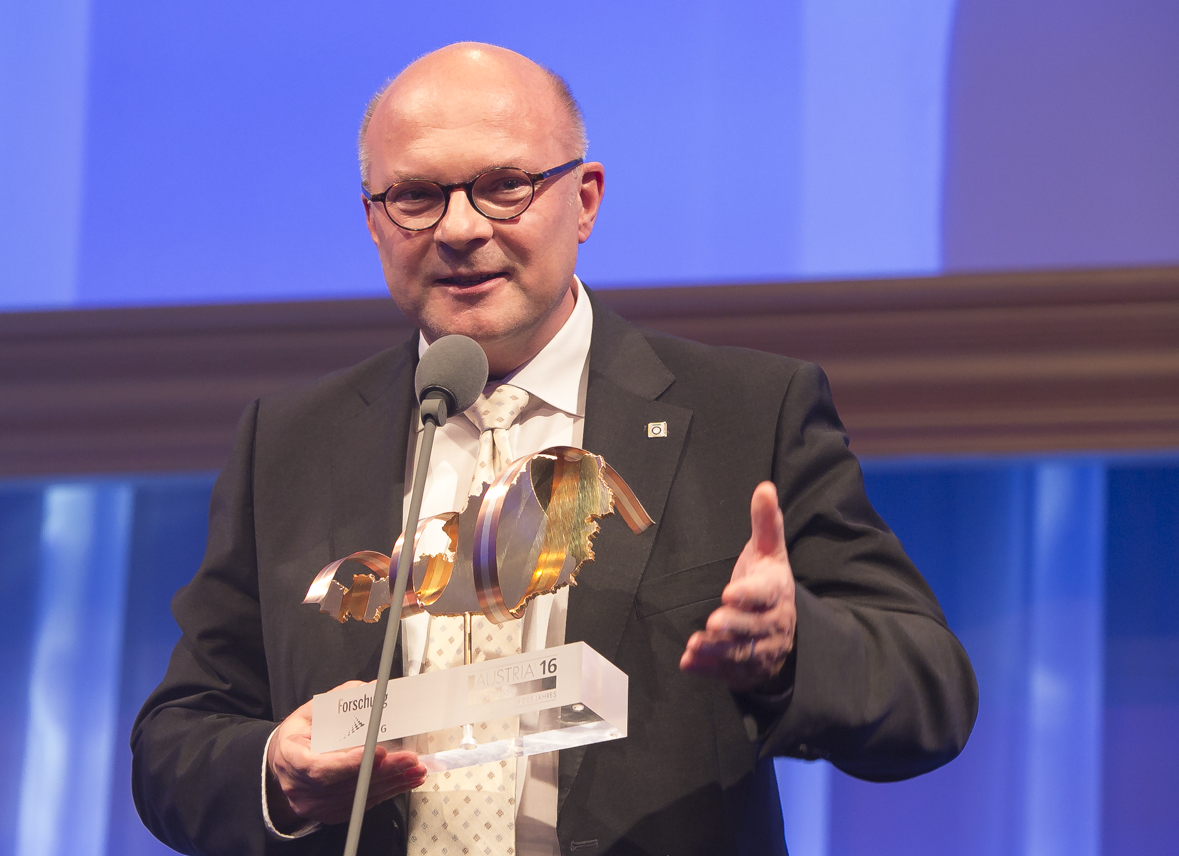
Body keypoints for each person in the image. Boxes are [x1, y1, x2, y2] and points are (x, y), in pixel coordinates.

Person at [131, 43, 978, 855]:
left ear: (585, 200)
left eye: (504, 186)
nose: (458, 228)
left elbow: (928, 692)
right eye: (416, 197)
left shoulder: (744, 413)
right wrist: (275, 770)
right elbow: (175, 741)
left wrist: (792, 650)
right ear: (372, 221)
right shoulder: (290, 442)